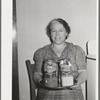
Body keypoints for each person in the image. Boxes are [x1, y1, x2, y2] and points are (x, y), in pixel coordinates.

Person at [33, 18, 87, 100]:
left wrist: (77, 82)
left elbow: (83, 73)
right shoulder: (41, 52)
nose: (57, 34)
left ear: (67, 33)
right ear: (50, 34)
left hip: (71, 93)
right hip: (47, 94)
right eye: (53, 31)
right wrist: (41, 81)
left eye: (60, 30)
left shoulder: (76, 50)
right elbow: (37, 74)